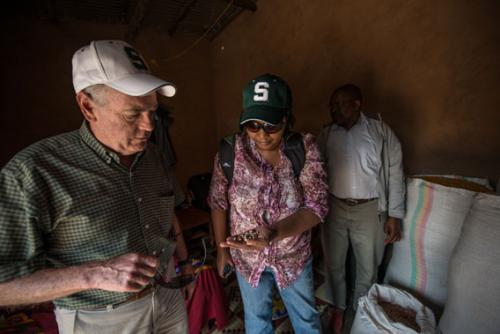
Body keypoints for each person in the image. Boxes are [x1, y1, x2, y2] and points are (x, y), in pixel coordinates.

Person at [0, 40, 194, 334]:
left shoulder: (153, 156)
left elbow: (168, 216)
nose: (149, 126)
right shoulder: (31, 173)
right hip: (100, 319)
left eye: (152, 111)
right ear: (88, 106)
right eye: (133, 115)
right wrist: (94, 274)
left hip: (167, 296)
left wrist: (184, 263)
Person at [208, 73, 328, 334]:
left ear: (287, 118)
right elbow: (218, 201)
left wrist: (275, 232)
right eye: (253, 125)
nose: (262, 135)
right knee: (257, 321)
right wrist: (222, 250)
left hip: (292, 255)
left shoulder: (304, 149)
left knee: (306, 320)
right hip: (247, 259)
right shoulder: (230, 152)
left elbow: (316, 207)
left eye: (272, 125)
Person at [317, 84, 405, 333]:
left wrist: (395, 215)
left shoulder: (380, 132)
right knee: (334, 264)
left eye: (339, 104)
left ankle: (360, 313)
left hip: (370, 209)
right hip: (334, 207)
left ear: (357, 104)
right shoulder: (326, 135)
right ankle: (338, 310)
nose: (334, 109)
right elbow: (315, 172)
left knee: (368, 266)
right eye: (331, 105)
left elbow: (395, 174)